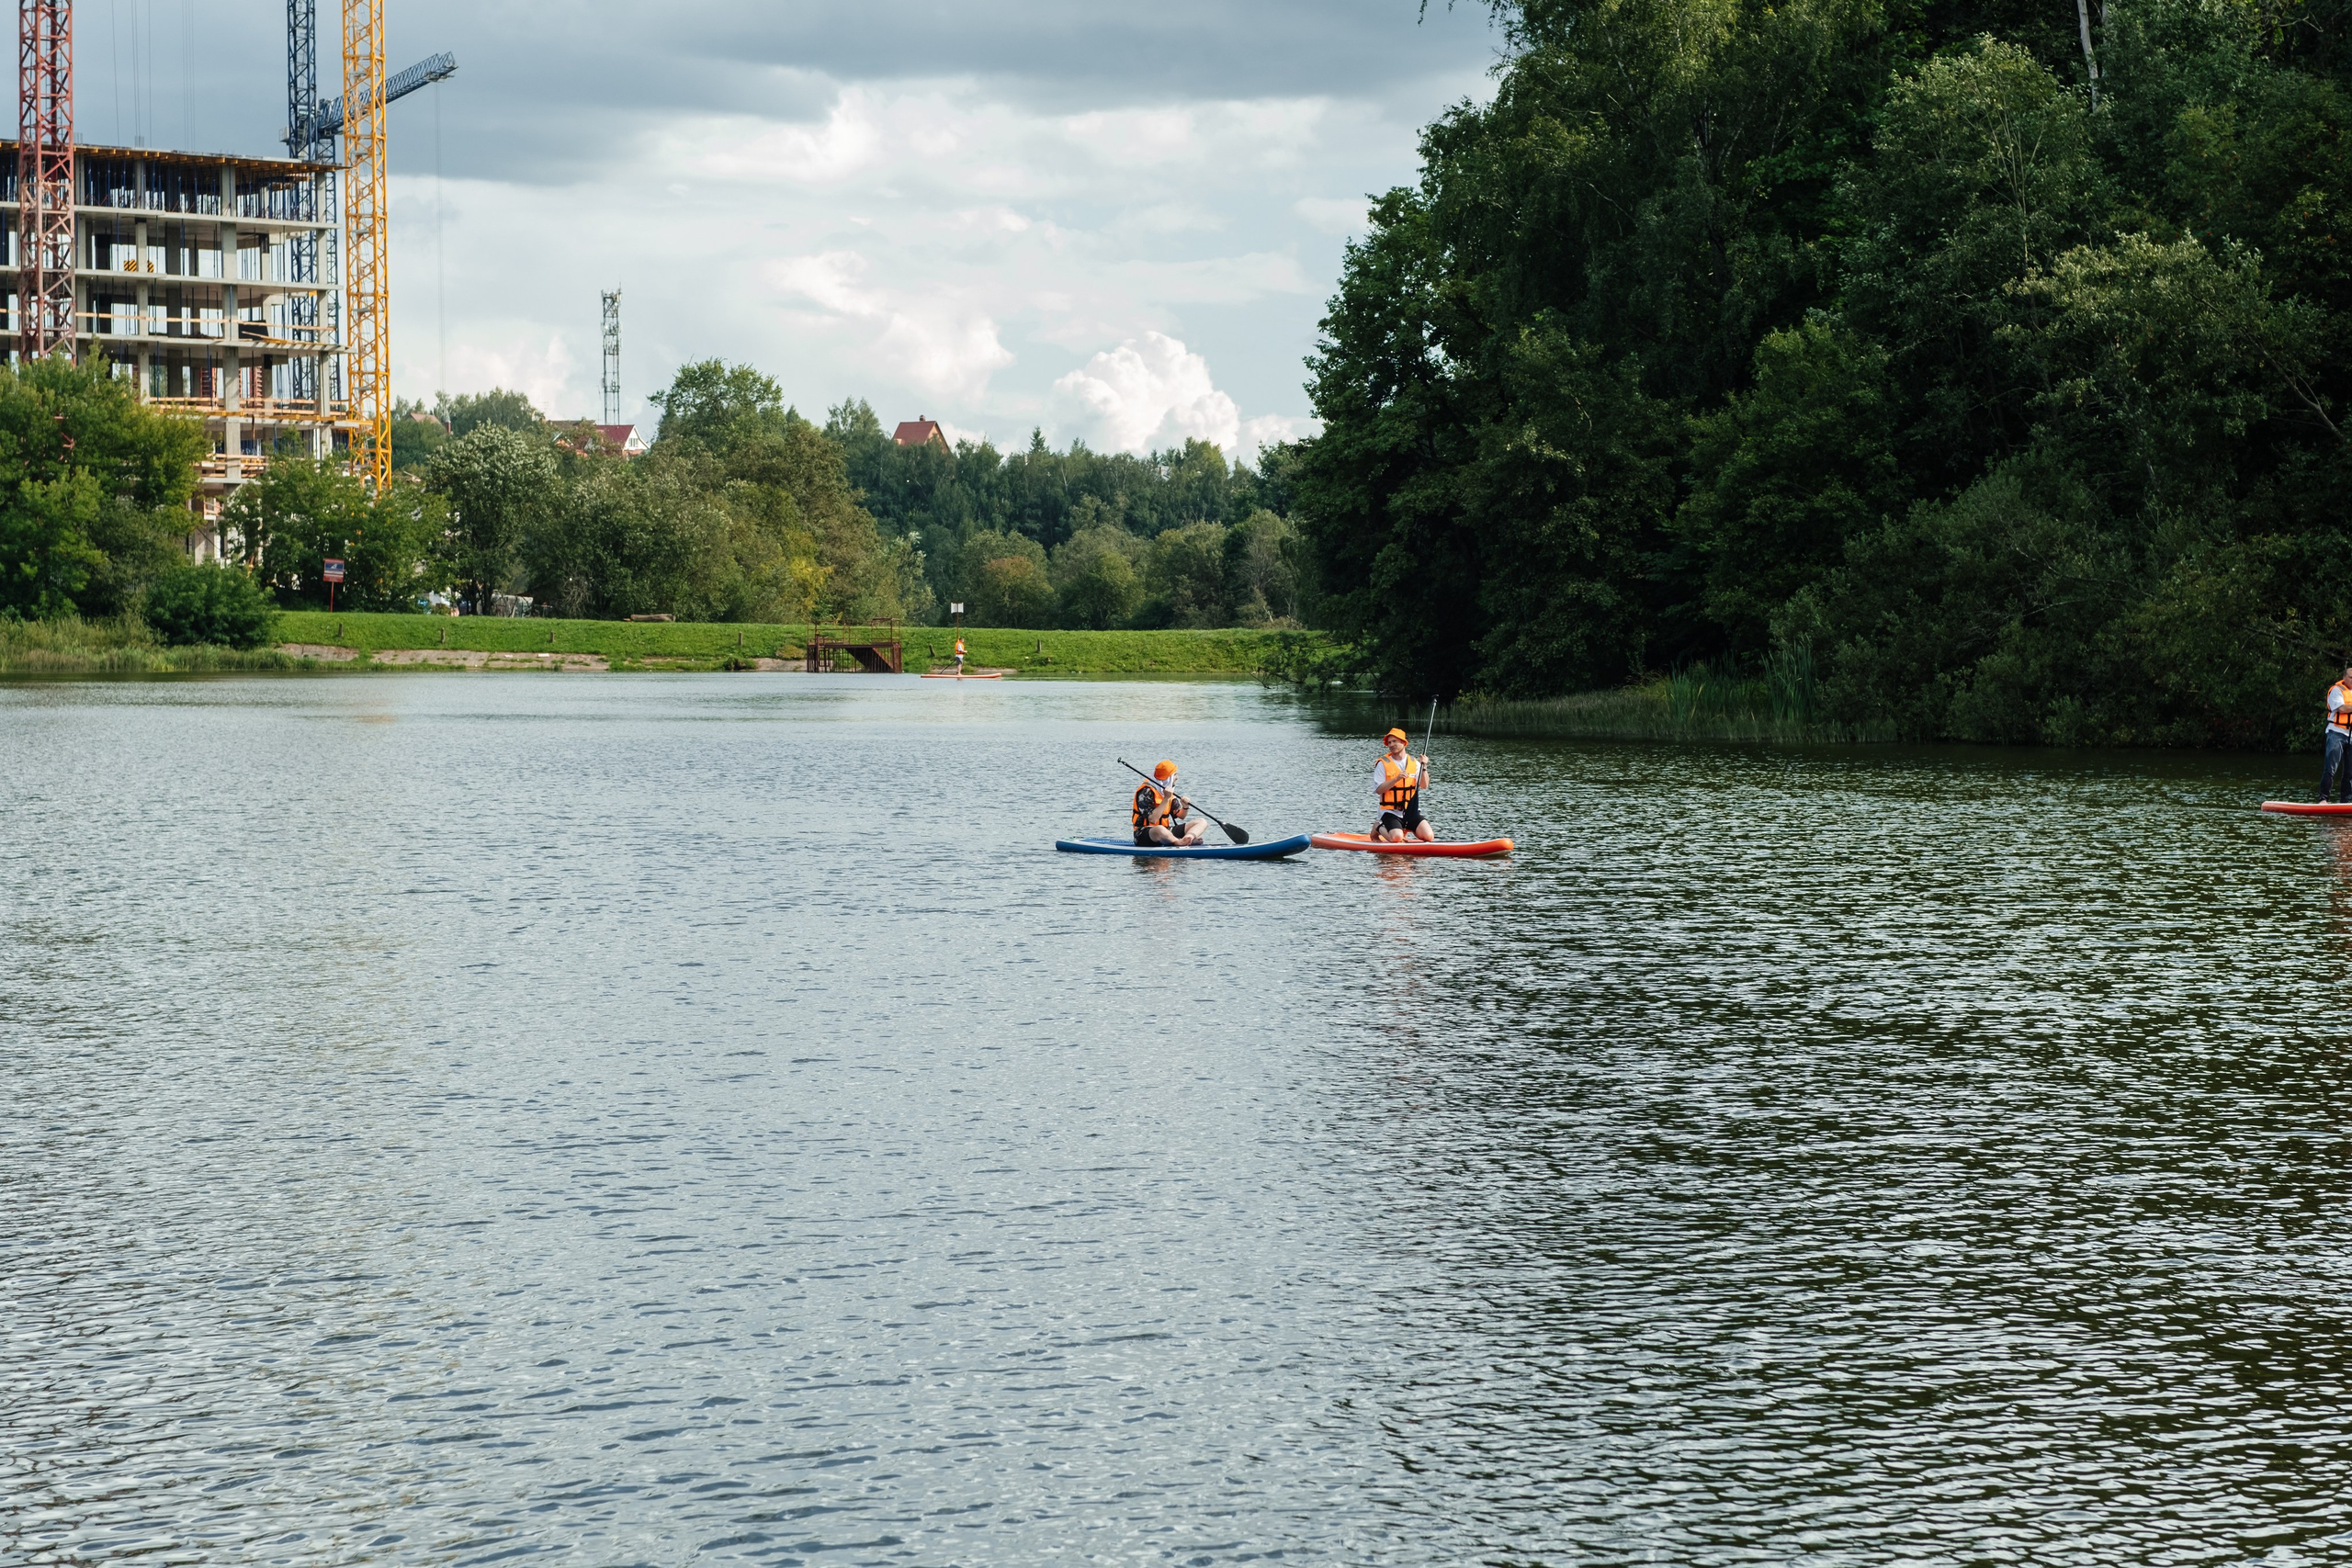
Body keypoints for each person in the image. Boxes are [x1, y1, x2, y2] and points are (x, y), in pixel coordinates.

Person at [1373, 726, 1434, 842]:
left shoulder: (1414, 763)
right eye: (1389, 742)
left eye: (1394, 741)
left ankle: (1403, 828)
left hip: (1410, 811)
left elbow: (1424, 785)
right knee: (1396, 838)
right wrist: (1396, 779)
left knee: (1429, 836)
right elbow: (1379, 790)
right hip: (1390, 812)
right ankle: (1378, 826)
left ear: (1403, 742)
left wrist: (1424, 767)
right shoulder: (1382, 764)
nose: (1391, 744)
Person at [1133, 759, 1207, 847]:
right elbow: (1152, 819)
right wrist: (1166, 798)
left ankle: (1188, 839)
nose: (1177, 777)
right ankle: (1178, 842)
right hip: (1145, 834)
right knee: (1160, 829)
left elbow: (1181, 816)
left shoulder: (1168, 790)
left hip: (1166, 832)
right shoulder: (1145, 792)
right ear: (1168, 778)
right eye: (1175, 775)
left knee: (1202, 822)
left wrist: (1185, 807)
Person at [2324, 665, 2352, 801]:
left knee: (2350, 772)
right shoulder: (2336, 690)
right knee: (2331, 769)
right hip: (2336, 732)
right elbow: (2342, 708)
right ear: (2344, 678)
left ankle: (2346, 801)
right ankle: (2323, 799)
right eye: (2351, 677)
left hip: (2351, 734)